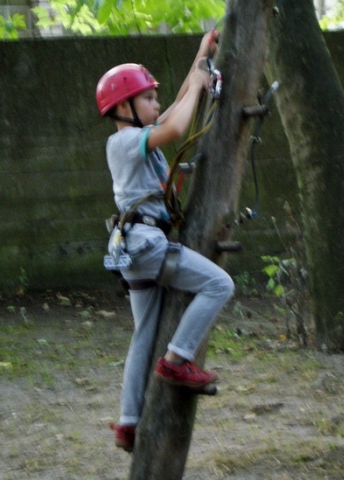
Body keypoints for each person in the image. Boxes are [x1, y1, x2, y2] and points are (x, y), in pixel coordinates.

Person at [95, 31, 234, 453]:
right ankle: (176, 360)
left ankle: (128, 421)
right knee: (219, 285)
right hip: (145, 245)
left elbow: (174, 109)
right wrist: (196, 84)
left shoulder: (140, 136)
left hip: (134, 249)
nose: (157, 104)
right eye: (148, 99)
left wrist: (201, 56)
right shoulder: (123, 143)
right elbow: (176, 123)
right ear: (124, 107)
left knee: (143, 334)